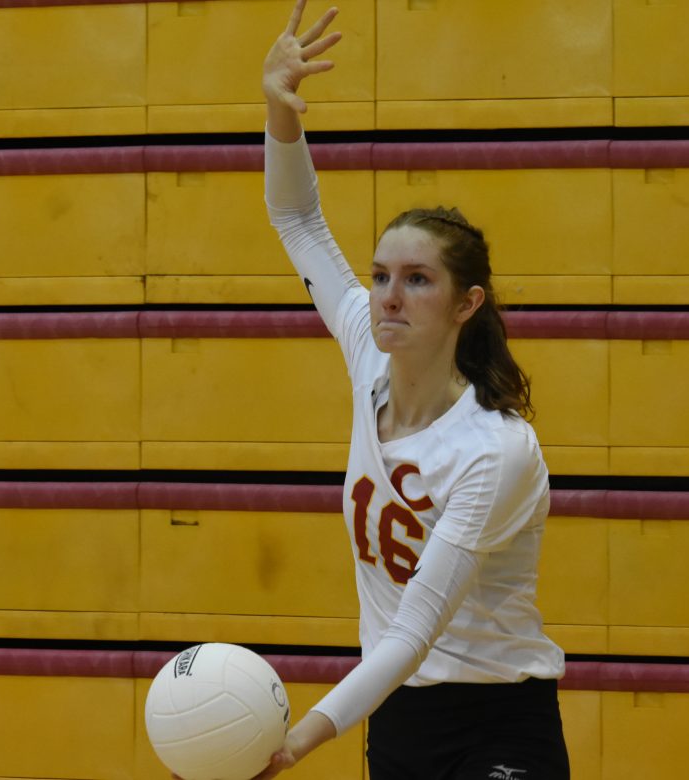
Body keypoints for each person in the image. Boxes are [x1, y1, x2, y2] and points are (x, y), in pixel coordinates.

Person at [254, 1, 570, 777]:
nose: (388, 296)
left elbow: (414, 629)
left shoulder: (496, 449)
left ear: (468, 304)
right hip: (399, 722)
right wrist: (278, 113)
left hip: (499, 717)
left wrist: (297, 740)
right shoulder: (367, 344)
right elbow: (297, 218)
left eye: (418, 280)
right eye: (382, 276)